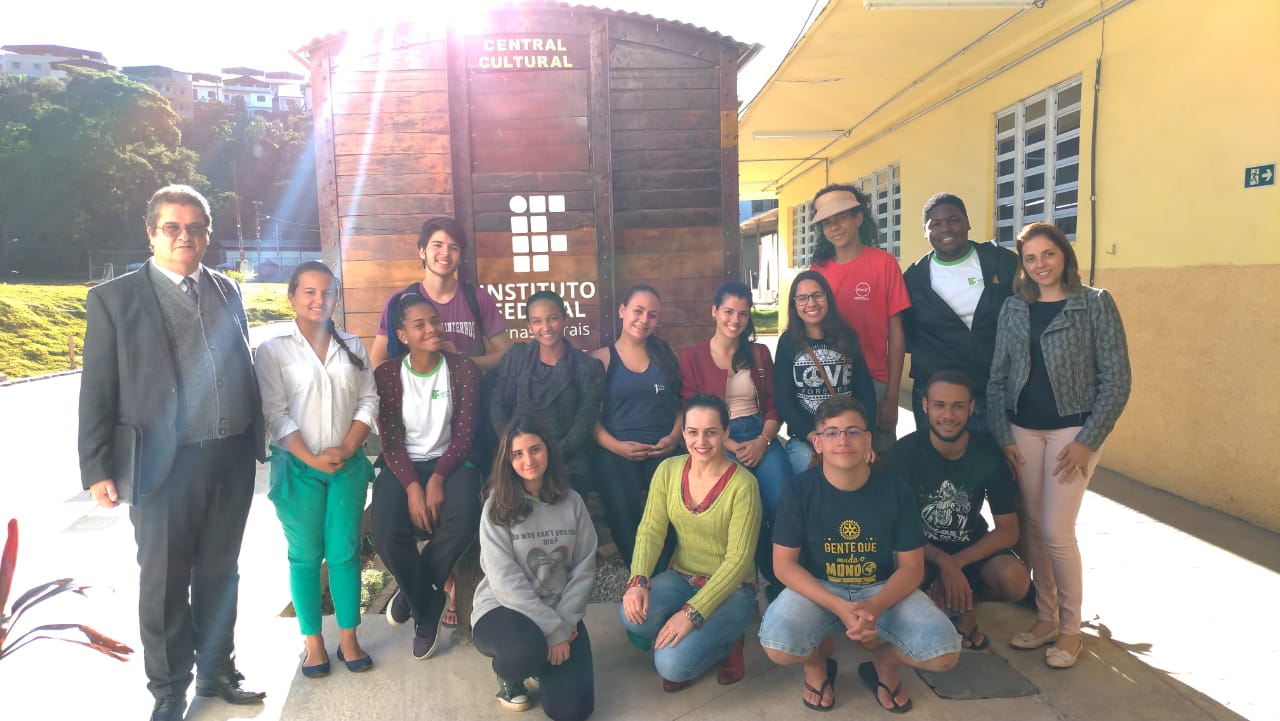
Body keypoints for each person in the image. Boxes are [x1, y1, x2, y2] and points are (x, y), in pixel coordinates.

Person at [78, 184, 266, 721]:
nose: (185, 236)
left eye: (196, 227)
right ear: (151, 233)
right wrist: (96, 467)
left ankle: (217, 669)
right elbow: (97, 388)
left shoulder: (227, 289)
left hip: (228, 456)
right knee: (163, 578)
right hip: (162, 464)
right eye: (172, 227)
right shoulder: (114, 299)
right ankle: (168, 687)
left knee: (219, 571)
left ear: (208, 233)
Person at [987, 221, 1131, 669]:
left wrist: (1089, 441)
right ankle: (1045, 617)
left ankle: (1071, 628)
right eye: (1030, 258)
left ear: (1064, 256)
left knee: (1055, 530)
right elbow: (997, 379)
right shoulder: (1015, 308)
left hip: (1073, 433)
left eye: (1048, 255)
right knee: (1032, 527)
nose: (1040, 265)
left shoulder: (1095, 304)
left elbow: (1117, 380)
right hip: (1023, 431)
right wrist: (1004, 435)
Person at [759, 396, 960, 713]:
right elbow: (783, 566)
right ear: (819, 443)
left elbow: (911, 567)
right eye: (832, 432)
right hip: (820, 588)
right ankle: (816, 663)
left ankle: (885, 660)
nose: (843, 440)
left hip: (881, 588)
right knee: (778, 646)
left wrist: (875, 606)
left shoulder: (896, 490)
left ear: (868, 440)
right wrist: (840, 606)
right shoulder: (798, 490)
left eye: (853, 431)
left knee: (944, 653)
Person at [255, 261, 379, 677]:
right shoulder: (274, 350)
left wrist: (347, 446)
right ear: (292, 296)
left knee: (345, 553)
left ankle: (348, 637)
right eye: (308, 291)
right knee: (305, 556)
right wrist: (311, 457)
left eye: (326, 292)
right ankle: (312, 643)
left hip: (347, 464)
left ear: (336, 298)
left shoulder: (353, 345)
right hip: (297, 468)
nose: (318, 299)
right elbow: (274, 412)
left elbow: (368, 401)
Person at [621, 394, 761, 692]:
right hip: (682, 576)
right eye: (693, 432)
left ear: (726, 433)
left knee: (671, 665)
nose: (701, 441)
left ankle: (728, 641)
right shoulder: (668, 470)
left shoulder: (744, 486)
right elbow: (650, 529)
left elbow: (738, 561)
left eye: (711, 432)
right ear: (683, 433)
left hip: (732, 591)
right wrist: (638, 580)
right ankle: (692, 633)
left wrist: (691, 613)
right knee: (632, 615)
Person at [371, 293, 483, 660]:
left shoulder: (462, 368)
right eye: (420, 324)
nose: (432, 328)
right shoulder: (387, 375)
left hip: (451, 461)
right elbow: (389, 439)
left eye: (434, 320)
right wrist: (412, 486)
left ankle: (413, 594)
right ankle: (429, 602)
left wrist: (436, 479)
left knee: (464, 518)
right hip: (402, 464)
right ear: (402, 334)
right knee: (384, 531)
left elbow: (464, 437)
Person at [886, 370, 1030, 651]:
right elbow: (895, 528)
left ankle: (967, 601)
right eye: (940, 405)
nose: (948, 415)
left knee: (1014, 580)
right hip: (919, 548)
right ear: (925, 406)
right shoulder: (905, 453)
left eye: (958, 406)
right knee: (892, 573)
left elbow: (1008, 530)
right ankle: (936, 604)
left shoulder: (987, 455)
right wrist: (943, 562)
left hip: (969, 546)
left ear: (971, 408)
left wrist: (956, 564)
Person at [472, 417, 597, 720]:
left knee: (573, 711)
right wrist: (553, 630)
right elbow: (504, 580)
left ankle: (545, 665)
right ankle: (511, 676)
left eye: (535, 449)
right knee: (522, 652)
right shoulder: (496, 506)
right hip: (504, 610)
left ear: (548, 451)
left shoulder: (573, 502)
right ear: (507, 459)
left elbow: (584, 568)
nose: (528, 460)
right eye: (518, 454)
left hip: (558, 612)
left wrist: (566, 625)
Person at [679, 281, 790, 587]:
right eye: (728, 311)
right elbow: (691, 407)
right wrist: (726, 443)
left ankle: (780, 579)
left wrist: (762, 442)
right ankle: (744, 582)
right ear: (714, 311)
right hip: (717, 440)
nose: (735, 320)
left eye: (742, 314)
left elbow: (773, 406)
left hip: (759, 433)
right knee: (738, 509)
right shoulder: (693, 357)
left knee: (781, 501)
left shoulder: (758, 353)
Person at [902, 193, 1018, 435]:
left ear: (967, 223)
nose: (946, 228)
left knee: (996, 464)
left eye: (953, 220)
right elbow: (906, 332)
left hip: (994, 391)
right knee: (936, 466)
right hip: (937, 396)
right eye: (935, 224)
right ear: (925, 231)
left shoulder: (1001, 263)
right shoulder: (913, 278)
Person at [809, 185, 911, 455]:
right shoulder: (818, 270)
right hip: (831, 381)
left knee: (879, 459)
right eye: (827, 223)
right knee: (834, 461)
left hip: (876, 382)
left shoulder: (885, 264)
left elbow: (896, 333)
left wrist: (892, 396)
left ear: (858, 218)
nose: (835, 227)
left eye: (841, 217)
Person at [589, 284, 682, 566]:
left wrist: (674, 437)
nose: (643, 320)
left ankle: (663, 572)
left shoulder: (667, 355)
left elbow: (682, 404)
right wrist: (617, 447)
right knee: (621, 503)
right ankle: (639, 572)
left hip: (663, 448)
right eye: (637, 311)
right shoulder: (601, 359)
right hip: (615, 448)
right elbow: (588, 419)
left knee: (669, 504)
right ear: (622, 311)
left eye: (651, 315)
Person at [491, 291, 604, 494]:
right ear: (529, 326)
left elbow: (584, 421)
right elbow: (497, 406)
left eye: (552, 318)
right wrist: (515, 449)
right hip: (519, 457)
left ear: (564, 319)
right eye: (537, 321)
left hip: (567, 460)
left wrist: (550, 454)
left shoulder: (586, 366)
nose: (546, 328)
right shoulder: (516, 358)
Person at [368, 216, 511, 370]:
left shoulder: (477, 298)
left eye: (453, 247)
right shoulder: (402, 302)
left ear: (461, 257)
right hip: (419, 393)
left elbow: (508, 353)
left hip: (470, 392)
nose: (445, 253)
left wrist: (462, 362)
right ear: (422, 252)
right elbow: (377, 363)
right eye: (437, 245)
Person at [774, 270, 877, 474]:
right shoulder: (788, 342)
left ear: (827, 298)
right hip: (807, 438)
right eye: (802, 298)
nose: (811, 304)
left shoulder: (847, 336)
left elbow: (865, 391)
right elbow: (783, 399)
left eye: (817, 295)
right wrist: (813, 436)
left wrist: (865, 436)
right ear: (794, 304)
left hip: (847, 433)